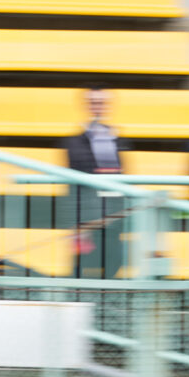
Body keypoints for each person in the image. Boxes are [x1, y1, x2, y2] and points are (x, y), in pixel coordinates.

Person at [63, 85, 127, 280]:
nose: (97, 107)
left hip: (111, 216)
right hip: (86, 217)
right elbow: (75, 181)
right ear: (86, 105)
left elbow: (122, 175)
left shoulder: (117, 140)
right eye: (93, 102)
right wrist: (76, 224)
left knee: (114, 262)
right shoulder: (74, 142)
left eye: (101, 103)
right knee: (81, 267)